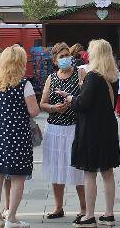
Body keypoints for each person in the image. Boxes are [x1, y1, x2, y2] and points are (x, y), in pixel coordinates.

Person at [62, 39, 120, 228]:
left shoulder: (93, 76)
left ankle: (89, 215)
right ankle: (109, 214)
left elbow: (82, 104)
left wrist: (71, 98)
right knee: (108, 172)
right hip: (108, 128)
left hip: (92, 130)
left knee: (90, 174)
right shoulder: (112, 76)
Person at [0, 45, 39, 228]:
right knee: (17, 178)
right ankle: (11, 217)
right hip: (18, 136)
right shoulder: (24, 84)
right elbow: (34, 111)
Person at [39, 43, 87, 222]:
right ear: (55, 60)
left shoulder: (80, 73)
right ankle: (58, 207)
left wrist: (73, 101)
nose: (66, 58)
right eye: (62, 56)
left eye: (68, 55)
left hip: (75, 127)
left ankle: (84, 208)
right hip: (55, 128)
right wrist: (53, 107)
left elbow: (87, 99)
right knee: (56, 168)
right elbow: (42, 103)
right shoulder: (51, 78)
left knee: (79, 169)